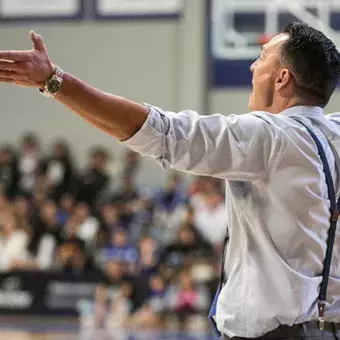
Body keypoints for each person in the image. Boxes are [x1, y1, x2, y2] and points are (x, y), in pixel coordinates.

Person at [1, 22, 340, 339]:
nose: (253, 67)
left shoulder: (268, 137)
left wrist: (54, 81)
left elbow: (161, 132)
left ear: (282, 78)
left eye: (262, 58)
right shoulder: (334, 135)